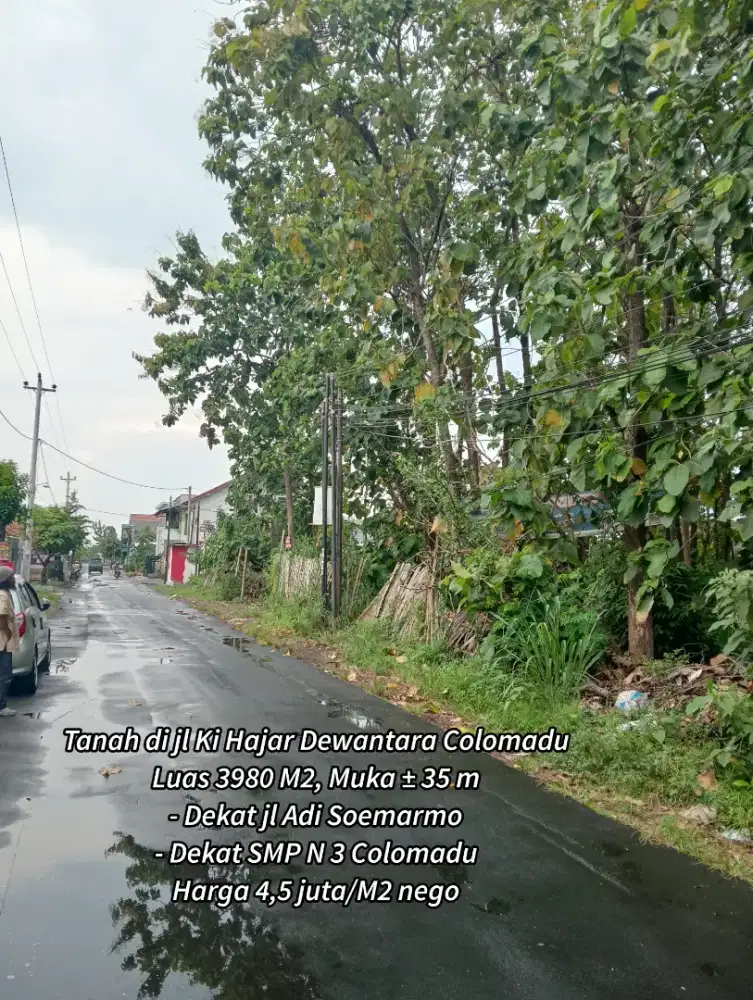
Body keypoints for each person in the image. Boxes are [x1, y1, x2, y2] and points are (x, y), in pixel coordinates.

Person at [0, 565, 19, 717]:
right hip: (2, 642)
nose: (14, 579)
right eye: (11, 577)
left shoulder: (5, 593)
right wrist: (8, 631)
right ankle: (1, 706)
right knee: (4, 675)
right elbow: (1, 614)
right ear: (5, 579)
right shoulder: (3, 595)